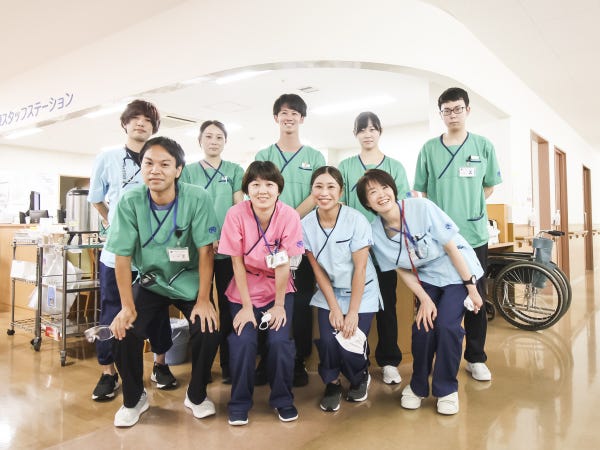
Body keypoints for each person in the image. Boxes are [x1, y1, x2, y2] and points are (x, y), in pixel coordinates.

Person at [107, 136, 220, 427]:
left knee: (208, 328)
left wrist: (204, 299)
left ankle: (196, 396)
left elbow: (206, 250)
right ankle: (134, 398)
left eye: (165, 164)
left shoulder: (197, 197)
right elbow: (122, 256)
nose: (155, 170)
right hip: (151, 281)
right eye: (149, 163)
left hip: (188, 280)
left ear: (178, 170)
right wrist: (126, 307)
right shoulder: (130, 201)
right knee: (123, 331)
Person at [356, 169, 484, 415]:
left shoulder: (421, 207)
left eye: (384, 187)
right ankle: (417, 385)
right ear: (366, 202)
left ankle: (446, 389)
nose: (381, 194)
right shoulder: (375, 233)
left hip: (458, 272)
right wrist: (424, 299)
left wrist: (471, 287)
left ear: (393, 189)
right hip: (427, 279)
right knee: (423, 326)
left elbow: (452, 247)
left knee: (447, 326)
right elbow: (401, 269)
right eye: (372, 192)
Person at [87, 100, 176, 401]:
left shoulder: (161, 159)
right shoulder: (108, 157)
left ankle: (160, 365)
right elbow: (96, 198)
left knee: (159, 310)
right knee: (111, 311)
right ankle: (108, 372)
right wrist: (111, 222)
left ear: (154, 127)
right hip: (117, 254)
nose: (141, 123)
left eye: (147, 120)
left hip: (153, 254)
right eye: (135, 118)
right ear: (125, 123)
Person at [413, 87, 502, 382]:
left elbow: (489, 186)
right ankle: (432, 357)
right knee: (436, 296)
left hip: (473, 235)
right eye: (447, 110)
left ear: (468, 110)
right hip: (438, 241)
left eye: (458, 108)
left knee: (475, 297)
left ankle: (475, 357)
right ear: (441, 114)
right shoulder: (429, 149)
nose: (453, 114)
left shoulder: (483, 146)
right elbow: (421, 191)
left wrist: (471, 207)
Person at [218, 161, 304, 426]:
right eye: (255, 184)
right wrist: (246, 307)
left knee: (279, 342)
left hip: (278, 287)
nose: (262, 190)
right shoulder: (236, 214)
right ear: (247, 189)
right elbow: (236, 263)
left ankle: (283, 400)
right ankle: (239, 403)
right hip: (243, 288)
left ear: (278, 189)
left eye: (269, 184)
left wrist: (278, 305)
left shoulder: (289, 216)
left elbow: (283, 263)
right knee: (243, 341)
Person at [255, 93, 326, 387]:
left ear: (302, 119)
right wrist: (277, 224)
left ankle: (298, 361)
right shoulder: (263, 154)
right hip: (268, 243)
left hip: (303, 242)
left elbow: (318, 193)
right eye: (284, 112)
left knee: (301, 302)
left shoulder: (315, 157)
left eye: (294, 113)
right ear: (276, 118)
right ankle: (265, 359)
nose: (289, 117)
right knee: (267, 298)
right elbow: (256, 193)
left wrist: (289, 218)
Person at [338, 111, 410, 386]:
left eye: (372, 129)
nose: (367, 134)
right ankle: (359, 362)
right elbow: (341, 206)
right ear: (355, 134)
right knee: (356, 308)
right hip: (355, 252)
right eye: (362, 129)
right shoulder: (346, 166)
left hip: (386, 251)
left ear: (380, 131)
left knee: (387, 307)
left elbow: (401, 207)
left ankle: (389, 362)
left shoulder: (395, 166)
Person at [301, 166, 381, 412]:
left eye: (331, 187)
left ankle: (360, 377)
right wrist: (335, 308)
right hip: (331, 291)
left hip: (362, 291)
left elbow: (360, 269)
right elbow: (318, 271)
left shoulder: (356, 220)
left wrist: (352, 312)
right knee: (328, 341)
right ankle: (332, 382)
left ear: (341, 191)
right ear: (312, 190)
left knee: (350, 341)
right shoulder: (305, 225)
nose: (324, 193)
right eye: (318, 187)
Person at [180, 120, 244, 384]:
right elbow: (184, 209)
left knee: (230, 308)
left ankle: (229, 365)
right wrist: (206, 238)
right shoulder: (187, 172)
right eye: (208, 136)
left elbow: (239, 208)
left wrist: (224, 238)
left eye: (219, 137)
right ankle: (203, 368)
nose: (214, 141)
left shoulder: (235, 170)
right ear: (200, 141)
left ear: (225, 142)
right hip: (199, 251)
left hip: (229, 251)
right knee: (203, 307)